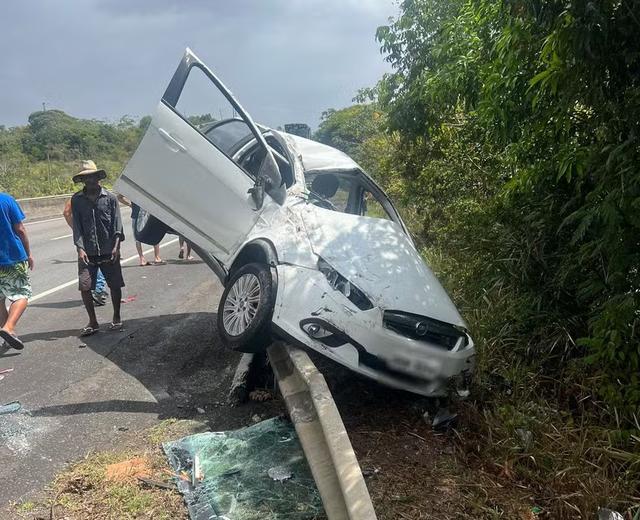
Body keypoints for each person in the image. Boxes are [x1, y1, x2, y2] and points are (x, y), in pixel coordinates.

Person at [71, 160, 125, 336]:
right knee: (85, 286)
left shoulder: (109, 198)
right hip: (87, 251)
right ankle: (93, 322)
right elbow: (77, 227)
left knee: (114, 284)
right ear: (83, 180)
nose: (90, 181)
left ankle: (116, 317)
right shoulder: (77, 200)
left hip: (110, 250)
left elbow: (117, 225)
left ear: (97, 177)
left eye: (92, 177)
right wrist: (80, 248)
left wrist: (116, 247)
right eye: (86, 178)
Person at [0, 192, 34, 350]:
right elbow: (20, 229)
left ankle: (8, 336)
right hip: (11, 257)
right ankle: (9, 327)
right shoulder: (6, 200)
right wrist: (28, 254)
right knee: (21, 294)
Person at [63, 199, 108, 306]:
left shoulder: (76, 198)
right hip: (99, 235)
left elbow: (66, 213)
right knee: (100, 261)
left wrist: (77, 229)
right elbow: (66, 212)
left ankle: (95, 289)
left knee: (88, 263)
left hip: (84, 237)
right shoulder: (98, 196)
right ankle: (98, 289)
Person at [117, 196, 164, 266]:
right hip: (148, 214)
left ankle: (142, 258)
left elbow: (120, 197)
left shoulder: (133, 189)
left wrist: (130, 204)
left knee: (137, 238)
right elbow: (120, 197)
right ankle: (156, 257)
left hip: (138, 214)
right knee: (154, 233)